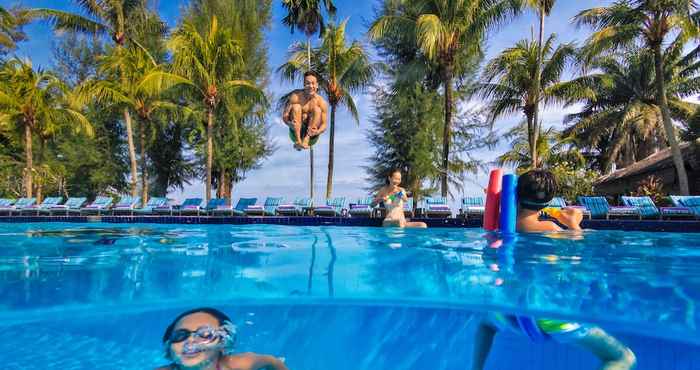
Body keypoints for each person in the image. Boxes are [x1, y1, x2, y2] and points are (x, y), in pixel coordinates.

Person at [471, 170, 636, 370]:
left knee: (486, 325)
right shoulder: (550, 228)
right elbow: (577, 261)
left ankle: (475, 368)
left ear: (516, 194)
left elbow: (488, 259)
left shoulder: (498, 229)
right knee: (622, 358)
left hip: (507, 310)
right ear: (549, 201)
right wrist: (574, 225)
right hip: (547, 315)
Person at [157, 307, 288, 370]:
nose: (191, 340)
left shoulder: (240, 364)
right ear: (169, 347)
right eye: (180, 335)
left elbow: (272, 361)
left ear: (224, 343)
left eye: (205, 334)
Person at [282, 71, 328, 150]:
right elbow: (285, 115)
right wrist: (290, 124)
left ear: (317, 85)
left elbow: (324, 124)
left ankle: (306, 140)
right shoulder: (296, 97)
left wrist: (317, 132)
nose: (310, 86)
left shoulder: (321, 102)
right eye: (307, 83)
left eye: (313, 83)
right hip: (295, 133)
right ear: (304, 85)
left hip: (311, 136)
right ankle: (299, 142)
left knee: (317, 110)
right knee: (296, 107)